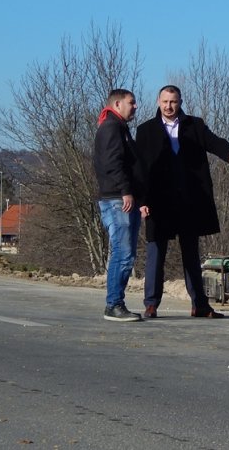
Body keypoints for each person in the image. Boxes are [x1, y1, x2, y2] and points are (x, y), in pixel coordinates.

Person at [137, 85, 229, 319]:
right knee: (155, 254)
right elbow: (140, 168)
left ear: (180, 101)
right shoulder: (145, 130)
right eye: (165, 101)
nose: (168, 106)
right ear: (158, 101)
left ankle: (200, 305)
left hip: (188, 201)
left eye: (173, 102)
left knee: (191, 255)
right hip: (158, 202)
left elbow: (214, 142)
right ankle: (151, 304)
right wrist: (141, 200)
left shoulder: (195, 125)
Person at [93, 89, 144, 322]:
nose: (135, 107)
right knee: (122, 253)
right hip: (116, 199)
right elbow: (112, 163)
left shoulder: (119, 127)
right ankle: (113, 304)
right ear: (117, 103)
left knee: (127, 253)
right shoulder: (112, 128)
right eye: (131, 103)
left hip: (122, 198)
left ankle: (116, 303)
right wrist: (125, 191)